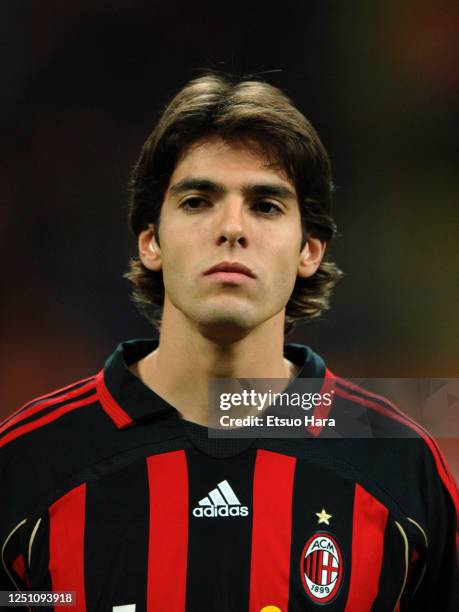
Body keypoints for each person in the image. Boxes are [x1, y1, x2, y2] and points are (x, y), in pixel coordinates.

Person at [1, 73, 457, 612]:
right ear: (151, 240)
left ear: (310, 250)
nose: (232, 227)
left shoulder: (399, 465)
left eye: (266, 205)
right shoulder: (27, 463)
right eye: (198, 201)